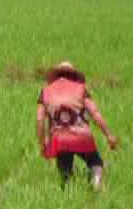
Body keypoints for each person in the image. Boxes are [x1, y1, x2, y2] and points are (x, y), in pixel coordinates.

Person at [38, 61, 119, 190]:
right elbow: (95, 114)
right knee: (95, 163)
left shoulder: (45, 92)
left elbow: (40, 120)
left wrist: (43, 143)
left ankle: (68, 197)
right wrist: (109, 135)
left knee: (65, 175)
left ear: (56, 75)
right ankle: (96, 184)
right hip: (82, 137)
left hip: (60, 139)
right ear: (73, 75)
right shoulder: (81, 89)